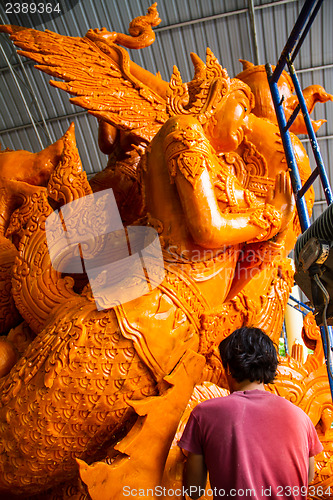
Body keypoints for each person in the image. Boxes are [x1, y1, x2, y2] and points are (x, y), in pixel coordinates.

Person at [178, 327, 323, 499]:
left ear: (229, 368)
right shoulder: (301, 417)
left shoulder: (203, 415)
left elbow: (194, 490)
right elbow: (308, 477)